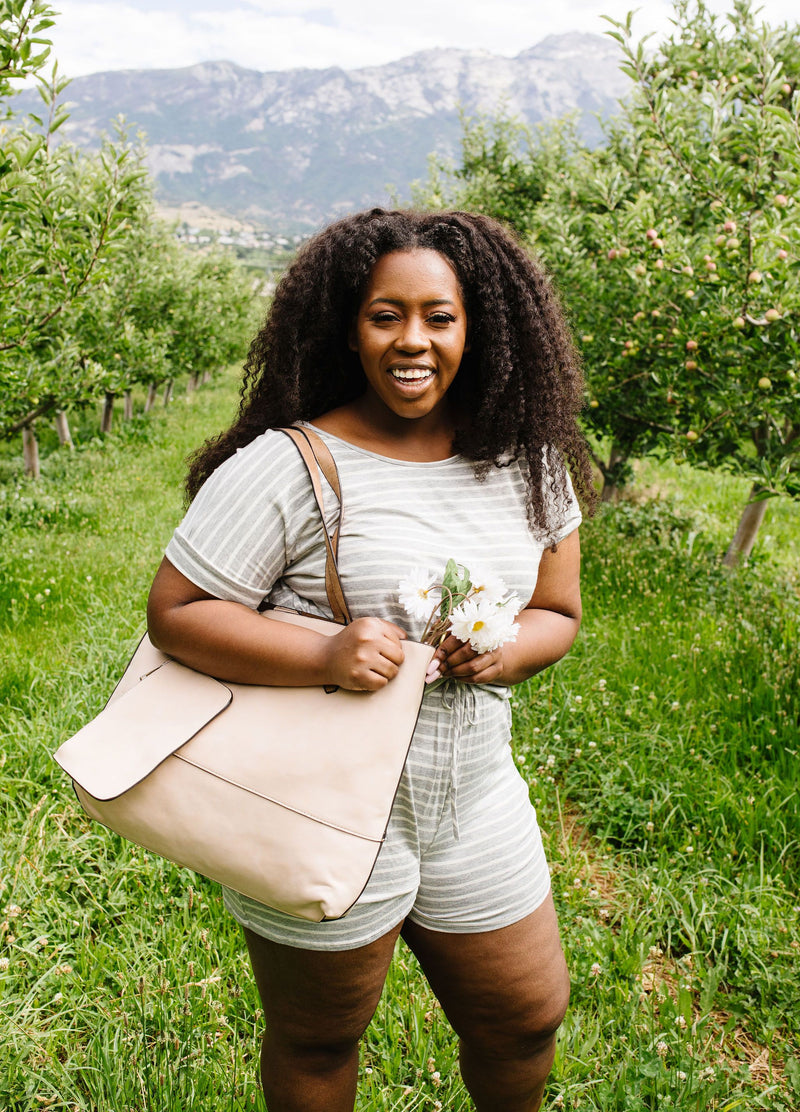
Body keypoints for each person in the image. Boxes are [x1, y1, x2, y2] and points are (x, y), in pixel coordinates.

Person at [146, 207, 596, 1112]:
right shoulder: (292, 464)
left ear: (479, 328)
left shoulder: (528, 466)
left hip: (473, 798)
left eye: (439, 316)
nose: (412, 340)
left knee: (526, 1019)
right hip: (325, 805)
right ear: (350, 329)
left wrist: (503, 656)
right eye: (385, 315)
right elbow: (176, 613)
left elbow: (557, 611)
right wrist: (326, 650)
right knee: (318, 1039)